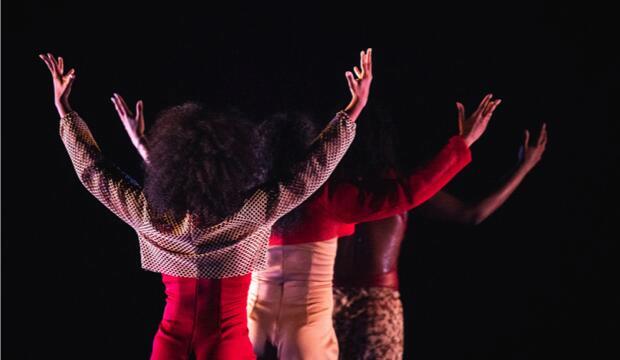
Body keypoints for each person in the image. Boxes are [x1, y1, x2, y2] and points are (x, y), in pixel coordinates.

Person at [40, 48, 372, 360]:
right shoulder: (250, 213)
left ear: (171, 168)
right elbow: (310, 171)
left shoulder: (154, 216)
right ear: (232, 167)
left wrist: (65, 110)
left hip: (171, 345)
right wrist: (352, 110)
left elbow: (95, 173)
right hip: (226, 346)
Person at [333, 109, 548, 359]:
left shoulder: (330, 189)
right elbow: (472, 213)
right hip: (375, 303)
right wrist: (524, 168)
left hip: (327, 301)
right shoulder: (398, 186)